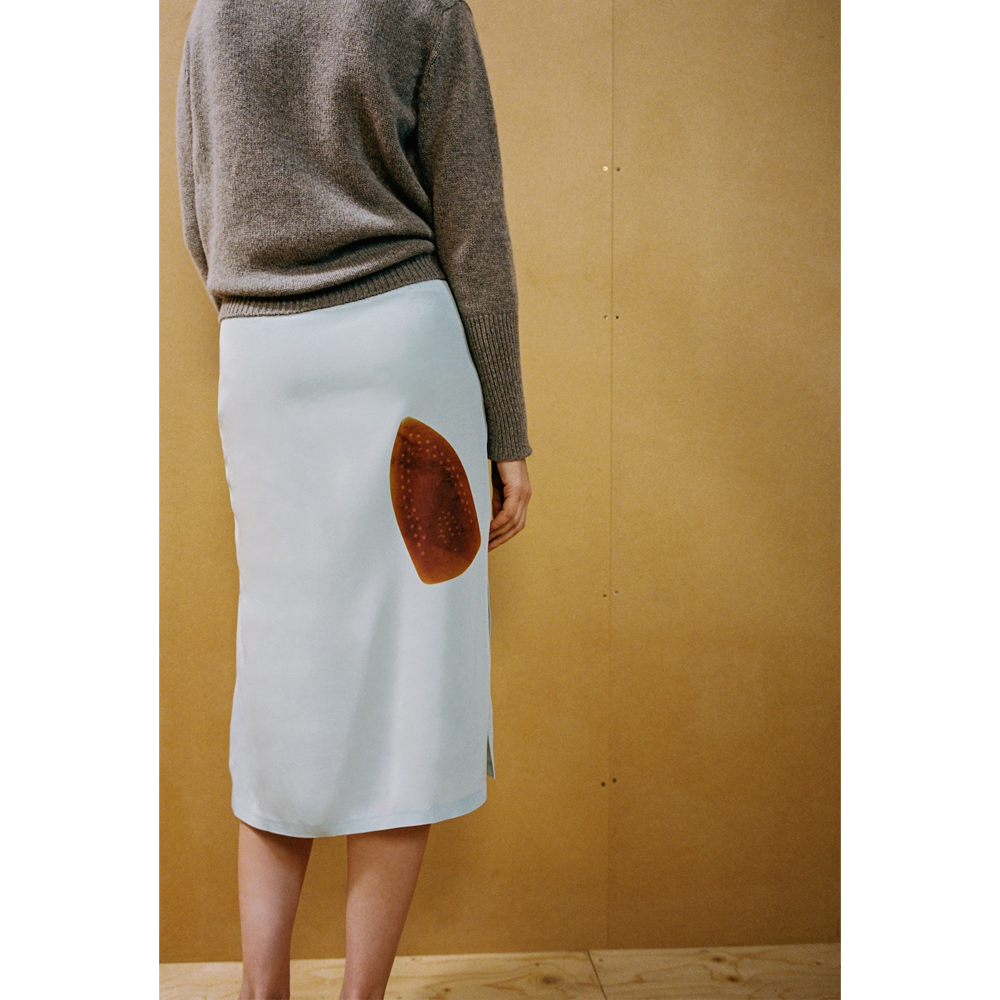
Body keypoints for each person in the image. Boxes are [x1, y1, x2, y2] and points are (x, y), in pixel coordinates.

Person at [176, 1, 532, 998]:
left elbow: (201, 218)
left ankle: (262, 992)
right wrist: (506, 430)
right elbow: (473, 226)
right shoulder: (421, 5)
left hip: (263, 359)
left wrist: (268, 307)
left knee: (283, 680)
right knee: (404, 694)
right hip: (399, 360)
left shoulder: (216, 12)